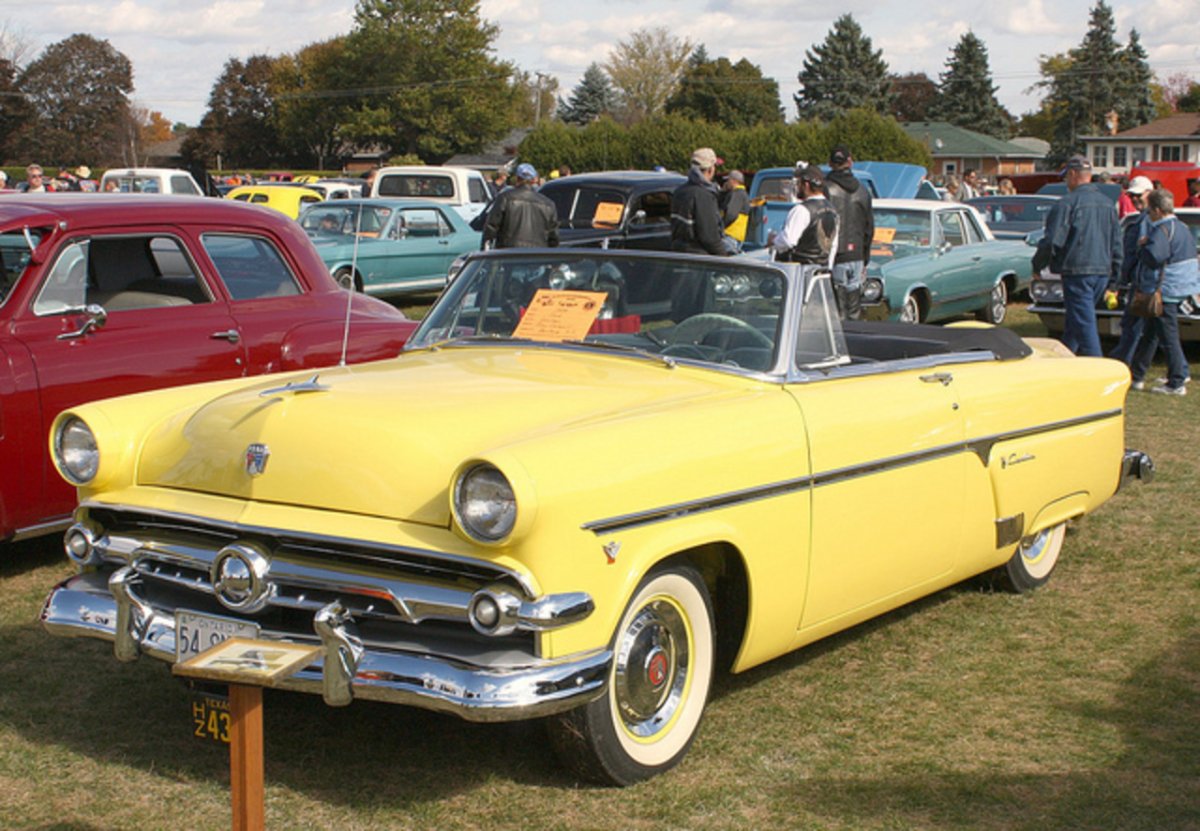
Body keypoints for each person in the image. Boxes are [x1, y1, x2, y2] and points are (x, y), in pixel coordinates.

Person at [1032, 154, 1121, 357]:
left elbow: (1052, 240)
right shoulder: (1108, 204)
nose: (1065, 182)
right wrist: (1115, 278)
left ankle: (1096, 368)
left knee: (1084, 323)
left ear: (1072, 175)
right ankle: (1064, 357)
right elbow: (1117, 244)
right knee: (1077, 319)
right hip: (1102, 271)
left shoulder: (1067, 203)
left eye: (1066, 177)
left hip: (1077, 270)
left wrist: (1037, 265)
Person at [1128, 188, 1200, 395]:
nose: (1148, 214)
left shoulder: (1161, 230)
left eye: (1150, 210)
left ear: (1158, 210)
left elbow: (1155, 257)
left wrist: (1143, 247)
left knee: (1168, 336)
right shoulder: (1182, 228)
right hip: (1180, 287)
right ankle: (1138, 375)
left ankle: (1177, 381)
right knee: (1151, 333)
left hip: (1163, 289)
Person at [1109, 176, 1155, 366]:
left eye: (1138, 195)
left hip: (1145, 282)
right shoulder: (1138, 220)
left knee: (1134, 326)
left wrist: (1120, 280)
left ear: (1149, 194)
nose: (1135, 199)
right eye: (1131, 195)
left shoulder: (1150, 221)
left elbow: (1137, 254)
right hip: (1140, 281)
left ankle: (1124, 361)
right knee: (1148, 329)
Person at [824, 144, 871, 319]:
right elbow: (869, 227)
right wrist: (865, 257)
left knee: (837, 312)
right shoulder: (863, 191)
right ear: (850, 161)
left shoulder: (826, 189)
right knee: (854, 309)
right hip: (856, 253)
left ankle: (839, 343)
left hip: (836, 255)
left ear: (830, 163)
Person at [769, 163, 839, 271]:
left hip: (798, 271)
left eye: (798, 183)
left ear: (806, 185)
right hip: (819, 273)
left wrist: (774, 240)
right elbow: (833, 246)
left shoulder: (802, 210)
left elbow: (789, 240)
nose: (797, 187)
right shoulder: (833, 210)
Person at [481, 162, 558, 249]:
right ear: (533, 180)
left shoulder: (505, 198)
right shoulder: (548, 204)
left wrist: (485, 251)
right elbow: (553, 237)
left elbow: (491, 227)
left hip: (509, 254)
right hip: (537, 255)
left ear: (517, 178)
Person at [670, 147, 730, 256]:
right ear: (710, 169)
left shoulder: (680, 191)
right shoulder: (703, 195)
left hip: (679, 254)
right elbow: (709, 237)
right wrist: (725, 258)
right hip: (699, 259)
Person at [718, 170, 750, 254]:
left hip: (730, 235)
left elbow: (731, 214)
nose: (726, 183)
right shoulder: (741, 194)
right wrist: (724, 191)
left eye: (728, 180)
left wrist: (721, 227)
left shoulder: (737, 194)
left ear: (734, 181)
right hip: (736, 236)